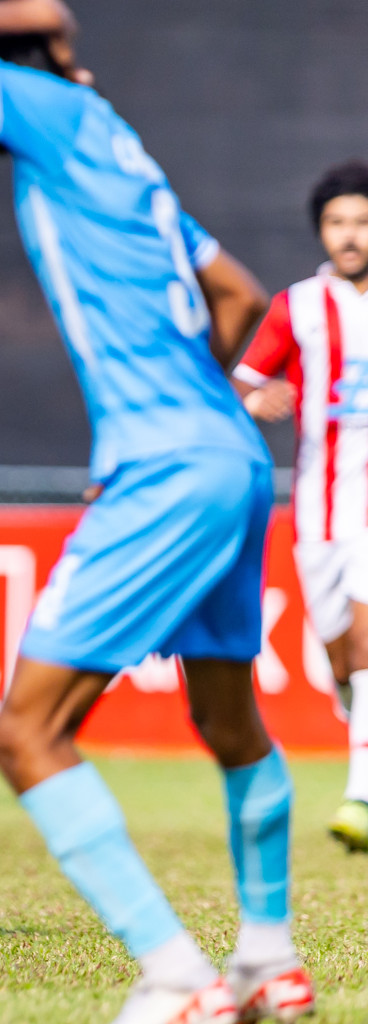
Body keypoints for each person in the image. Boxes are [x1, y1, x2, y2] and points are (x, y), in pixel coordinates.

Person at [0, 2, 315, 1021]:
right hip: (229, 458)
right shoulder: (132, 161)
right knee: (227, 714)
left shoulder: (58, 116)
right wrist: (194, 408)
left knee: (25, 732)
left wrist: (32, 19)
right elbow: (240, 297)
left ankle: (175, 975)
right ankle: (268, 959)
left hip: (166, 468)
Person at [233, 159, 368, 855]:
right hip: (318, 510)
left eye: (363, 222)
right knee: (342, 656)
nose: (351, 236)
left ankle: (360, 793)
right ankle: (352, 705)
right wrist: (257, 401)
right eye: (338, 223)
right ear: (322, 230)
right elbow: (242, 384)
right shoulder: (299, 307)